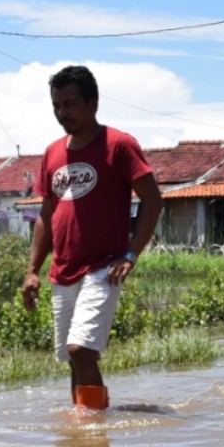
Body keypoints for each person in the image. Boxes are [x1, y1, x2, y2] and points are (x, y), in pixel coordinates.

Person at [21, 65, 162, 410]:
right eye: (56, 105)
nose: (61, 113)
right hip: (62, 270)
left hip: (104, 266)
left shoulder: (119, 145)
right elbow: (46, 215)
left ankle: (94, 431)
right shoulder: (53, 153)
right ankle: (84, 432)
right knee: (74, 358)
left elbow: (153, 200)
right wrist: (33, 270)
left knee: (80, 349)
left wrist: (131, 254)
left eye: (69, 104)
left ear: (92, 103)